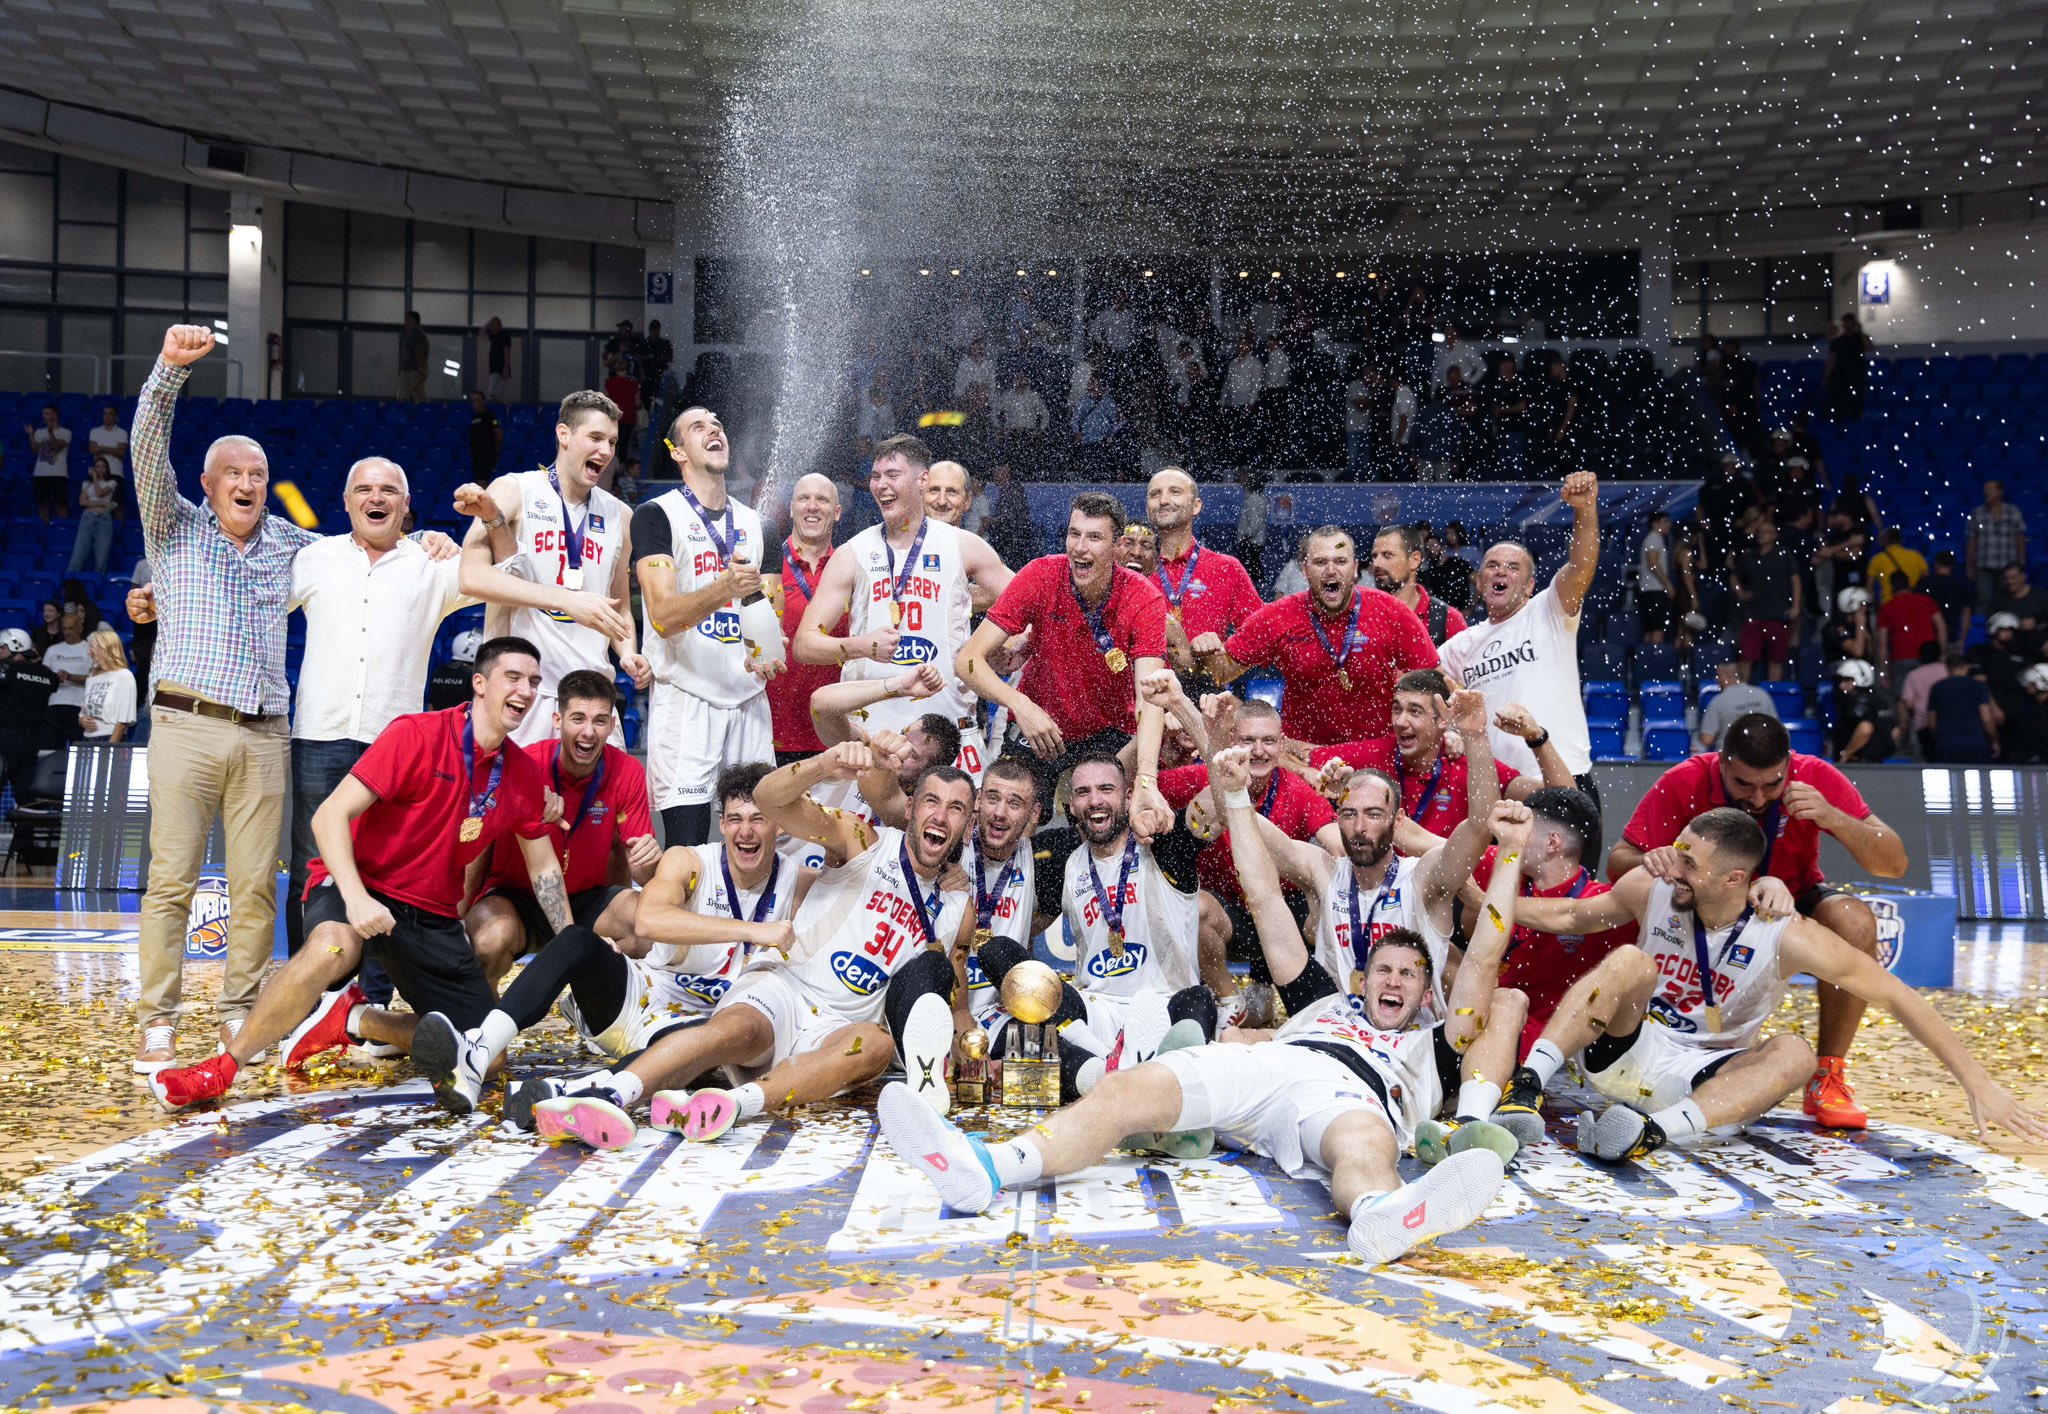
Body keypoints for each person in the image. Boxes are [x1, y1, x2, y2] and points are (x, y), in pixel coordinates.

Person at [878, 748, 1536, 1266]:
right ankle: (988, 1168)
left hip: (1356, 1097)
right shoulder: (1322, 1003)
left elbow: (1482, 958)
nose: (1394, 983)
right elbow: (1262, 896)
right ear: (1360, 979)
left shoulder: (1432, 1042)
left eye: (1409, 976)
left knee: (1360, 1145)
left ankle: (1378, 1211)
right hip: (1276, 1064)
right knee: (1128, 1090)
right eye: (1383, 970)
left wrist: (1508, 855)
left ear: (1428, 992)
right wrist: (1235, 798)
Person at [147, 637, 563, 1109]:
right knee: (334, 944)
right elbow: (329, 816)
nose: (526, 690)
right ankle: (221, 1069)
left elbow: (544, 864)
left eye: (533, 681)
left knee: (489, 1059)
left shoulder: (524, 775)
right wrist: (357, 896)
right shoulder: (416, 734)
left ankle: (355, 1019)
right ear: (480, 684)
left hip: (429, 913)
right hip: (358, 884)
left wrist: (568, 938)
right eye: (513, 677)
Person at [1496, 807, 2046, 1160]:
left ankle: (1648, 1134)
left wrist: (1978, 1083)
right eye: (1678, 850)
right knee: (1628, 964)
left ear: (1734, 879)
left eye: (1689, 861)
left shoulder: (1787, 933)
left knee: (1795, 1051)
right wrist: (1483, 900)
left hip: (1709, 1078)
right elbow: (1570, 916)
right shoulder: (1655, 885)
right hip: (1626, 1045)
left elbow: (1896, 994)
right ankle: (1526, 1088)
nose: (1672, 865)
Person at [532, 739, 973, 1150]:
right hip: (785, 987)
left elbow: (954, 1006)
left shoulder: (958, 906)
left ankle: (733, 1105)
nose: (940, 816)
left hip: (838, 1028)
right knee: (733, 1031)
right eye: (931, 801)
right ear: (911, 808)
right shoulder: (863, 840)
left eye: (956, 809)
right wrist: (823, 765)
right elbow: (769, 799)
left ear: (967, 825)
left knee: (875, 1045)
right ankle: (610, 1093)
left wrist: (973, 1046)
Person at [126, 327, 328, 1072]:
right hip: (185, 724)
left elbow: (366, 566)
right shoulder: (174, 528)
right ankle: (157, 1021)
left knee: (255, 890)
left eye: (258, 471)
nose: (247, 481)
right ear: (208, 485)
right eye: (232, 472)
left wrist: (431, 544)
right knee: (170, 883)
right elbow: (147, 449)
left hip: (266, 735)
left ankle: (242, 1016)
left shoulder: (293, 544)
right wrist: (169, 372)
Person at [442, 763, 803, 1129]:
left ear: (779, 823)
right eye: (735, 819)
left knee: (698, 1047)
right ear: (722, 824)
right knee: (576, 940)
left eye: (758, 819)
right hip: (640, 996)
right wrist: (752, 930)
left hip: (697, 1030)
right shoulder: (691, 861)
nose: (745, 831)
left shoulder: (797, 880)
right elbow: (648, 920)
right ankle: (478, 1051)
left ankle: (568, 1093)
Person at [1609, 712, 1906, 1126]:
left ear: (1789, 766)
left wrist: (1832, 816)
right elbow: (1618, 864)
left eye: (1773, 784)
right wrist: (1651, 858)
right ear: (1722, 763)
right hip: (1711, 901)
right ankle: (1629, 1039)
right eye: (1744, 784)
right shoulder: (1686, 778)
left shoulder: (1815, 775)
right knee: (1632, 907)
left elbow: (1893, 864)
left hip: (1790, 898)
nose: (1760, 797)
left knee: (1854, 921)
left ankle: (1829, 1075)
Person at [797, 434, 1013, 781]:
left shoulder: (963, 546)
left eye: (892, 475)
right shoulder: (852, 553)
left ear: (921, 479)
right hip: (871, 738)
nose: (881, 485)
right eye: (876, 476)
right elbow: (805, 644)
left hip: (951, 736)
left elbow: (1028, 604)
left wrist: (1006, 646)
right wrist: (861, 646)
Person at [456, 389, 644, 748]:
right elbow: (472, 577)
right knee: (518, 805)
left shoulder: (621, 515)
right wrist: (566, 600)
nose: (605, 451)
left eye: (613, 442)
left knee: (596, 805)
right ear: (564, 435)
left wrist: (629, 653)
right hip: (523, 694)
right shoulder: (515, 490)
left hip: (591, 693)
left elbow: (617, 604)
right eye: (595, 437)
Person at [459, 668, 658, 985]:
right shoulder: (524, 764)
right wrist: (458, 912)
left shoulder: (628, 772)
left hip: (589, 901)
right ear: (558, 721)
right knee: (487, 940)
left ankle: (603, 1014)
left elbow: (642, 874)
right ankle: (481, 1019)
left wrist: (651, 862)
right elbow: (479, 843)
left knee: (646, 925)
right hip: (516, 900)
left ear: (612, 725)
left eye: (599, 721)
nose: (589, 732)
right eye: (578, 718)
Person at [960, 492, 1167, 764]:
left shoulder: (1143, 596)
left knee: (1111, 796)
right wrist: (1019, 704)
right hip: (1038, 726)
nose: (1080, 547)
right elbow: (967, 661)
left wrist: (1146, 781)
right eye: (1074, 533)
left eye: (1094, 537)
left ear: (1118, 545)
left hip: (1109, 733)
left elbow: (1149, 700)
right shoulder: (1040, 574)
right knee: (1005, 802)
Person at [1438, 472, 1601, 801]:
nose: (1500, 571)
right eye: (1492, 565)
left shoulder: (1549, 609)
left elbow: (1582, 565)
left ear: (1529, 586)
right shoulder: (1460, 646)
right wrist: (1451, 730)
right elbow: (1425, 688)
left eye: (1512, 567)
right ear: (1480, 582)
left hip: (1565, 778)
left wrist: (1585, 510)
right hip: (1501, 788)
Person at [1198, 525, 1438, 747]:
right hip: (1305, 756)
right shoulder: (1277, 616)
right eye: (1320, 562)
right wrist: (1204, 648)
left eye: (1340, 561)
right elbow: (1222, 671)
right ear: (1305, 570)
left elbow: (1432, 682)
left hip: (1376, 755)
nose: (1331, 570)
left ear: (1354, 569)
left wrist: (1449, 731)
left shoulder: (1391, 611)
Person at [1460, 787, 1634, 1058]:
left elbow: (1571, 915)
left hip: (1552, 1047)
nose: (1513, 837)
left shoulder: (1602, 902)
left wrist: (1481, 899)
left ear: (1553, 843)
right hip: (1482, 1016)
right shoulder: (1503, 861)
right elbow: (1433, 847)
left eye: (1525, 829)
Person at [1303, 673, 1574, 839]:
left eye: (1415, 711)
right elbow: (1289, 755)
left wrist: (1536, 738)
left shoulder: (1469, 767)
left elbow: (1567, 803)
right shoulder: (1374, 753)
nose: (1401, 721)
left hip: (1451, 892)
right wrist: (1315, 777)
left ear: (1443, 720)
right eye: (1397, 709)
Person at [1145, 467, 1263, 680]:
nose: (1163, 500)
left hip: (1204, 701)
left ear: (1196, 506)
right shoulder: (1134, 572)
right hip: (1142, 700)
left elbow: (1261, 634)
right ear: (1148, 508)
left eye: (1175, 492)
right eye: (1155, 494)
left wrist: (1221, 661)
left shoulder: (1226, 568)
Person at [765, 473, 845, 765]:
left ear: (837, 513)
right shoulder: (766, 565)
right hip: (770, 731)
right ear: (791, 508)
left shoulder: (850, 568)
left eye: (822, 500)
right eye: (804, 498)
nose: (812, 506)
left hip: (834, 733)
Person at [1730, 517, 1802, 683]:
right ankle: (1742, 694)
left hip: (1777, 614)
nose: (1762, 535)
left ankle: (1772, 694)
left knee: (1776, 659)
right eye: (1760, 532)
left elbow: (1796, 580)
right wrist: (1740, 592)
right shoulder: (1749, 556)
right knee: (1746, 656)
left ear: (1774, 535)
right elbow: (1734, 576)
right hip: (1753, 614)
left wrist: (1796, 606)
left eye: (1766, 532)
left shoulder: (1784, 554)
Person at [1369, 523, 1466, 646]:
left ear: (1414, 560)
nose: (1376, 564)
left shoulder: (1447, 619)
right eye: (1374, 556)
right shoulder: (1363, 616)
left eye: (1387, 555)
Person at [0, 630, 58, 801]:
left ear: (15, 647)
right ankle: (25, 828)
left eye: (2, 647)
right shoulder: (46, 674)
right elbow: (53, 682)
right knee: (26, 797)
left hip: (5, 739)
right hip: (31, 741)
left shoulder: (6, 671)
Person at [1875, 570, 1945, 689]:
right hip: (1928, 656)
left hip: (1901, 657)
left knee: (1903, 698)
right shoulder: (1926, 601)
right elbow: (1941, 627)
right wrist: (1942, 653)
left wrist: (1883, 671)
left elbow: (1882, 644)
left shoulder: (1887, 608)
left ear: (1892, 587)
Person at [1924, 653, 1999, 764]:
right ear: (1966, 666)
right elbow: (1986, 718)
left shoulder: (1937, 688)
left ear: (1948, 668)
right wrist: (1994, 740)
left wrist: (1938, 739)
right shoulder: (1978, 686)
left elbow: (1932, 722)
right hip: (1977, 746)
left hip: (1946, 746)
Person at [1965, 480, 2026, 614]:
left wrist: (2021, 560)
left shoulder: (2013, 511)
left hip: (2007, 564)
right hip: (1983, 564)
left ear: (2000, 492)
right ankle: (1981, 630)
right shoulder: (1977, 513)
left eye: (1990, 490)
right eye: (1985, 490)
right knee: (1983, 598)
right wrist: (1969, 565)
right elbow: (1971, 540)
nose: (1986, 493)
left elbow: (2020, 537)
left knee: (2006, 599)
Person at [40, 607, 94, 742]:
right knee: (51, 749)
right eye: (64, 629)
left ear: (80, 629)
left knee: (78, 748)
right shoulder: (53, 650)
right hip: (54, 705)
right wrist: (55, 678)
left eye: (71, 628)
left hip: (79, 707)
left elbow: (95, 680)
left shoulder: (90, 650)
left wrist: (71, 677)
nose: (67, 632)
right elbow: (43, 677)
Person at [1698, 659, 1776, 750]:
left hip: (1730, 758)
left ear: (1724, 677)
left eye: (1718, 676)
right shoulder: (1762, 695)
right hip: (1762, 756)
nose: (1716, 679)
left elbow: (1707, 739)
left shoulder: (1718, 701)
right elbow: (1775, 728)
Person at [77, 630, 137, 744]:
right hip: (87, 739)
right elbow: (84, 710)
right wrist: (82, 719)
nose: (89, 652)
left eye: (92, 647)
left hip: (110, 738)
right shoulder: (91, 676)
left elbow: (123, 720)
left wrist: (110, 747)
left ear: (105, 648)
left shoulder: (124, 676)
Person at [1829, 658, 1894, 763]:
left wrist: (1846, 755)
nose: (1841, 685)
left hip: (1857, 765)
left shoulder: (1855, 704)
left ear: (1860, 679)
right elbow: (1895, 731)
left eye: (1847, 680)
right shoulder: (1880, 702)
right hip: (1878, 764)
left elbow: (1865, 729)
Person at [68, 457, 121, 576]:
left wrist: (95, 479)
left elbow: (99, 492)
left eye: (103, 466)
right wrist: (102, 503)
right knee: (78, 554)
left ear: (107, 468)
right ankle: (69, 585)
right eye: (97, 466)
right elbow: (82, 502)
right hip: (88, 518)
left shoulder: (112, 482)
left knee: (101, 557)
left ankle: (97, 585)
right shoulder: (86, 483)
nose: (100, 469)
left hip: (104, 520)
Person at [26, 405, 70, 523]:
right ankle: (44, 530)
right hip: (41, 473)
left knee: (61, 505)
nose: (44, 416)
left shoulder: (66, 432)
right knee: (42, 505)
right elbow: (35, 450)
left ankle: (62, 529)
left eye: (47, 413)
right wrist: (31, 435)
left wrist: (50, 432)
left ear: (55, 415)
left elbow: (56, 447)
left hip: (59, 474)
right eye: (44, 414)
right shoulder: (39, 432)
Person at [1636, 510, 1675, 644]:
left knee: (1650, 630)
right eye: (1665, 522)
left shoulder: (1653, 539)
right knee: (1658, 629)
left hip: (1648, 591)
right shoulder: (1654, 539)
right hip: (1655, 591)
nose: (1668, 525)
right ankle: (1654, 660)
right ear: (1655, 524)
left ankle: (1646, 660)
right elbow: (1653, 563)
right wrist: (1667, 584)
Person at [1923, 549, 1973, 647]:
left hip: (1928, 638)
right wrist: (1962, 640)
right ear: (1953, 566)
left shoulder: (1924, 583)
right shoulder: (1961, 585)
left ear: (1936, 563)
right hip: (1951, 636)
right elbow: (1966, 614)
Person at [428, 630, 482, 712]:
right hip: (463, 723)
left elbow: (431, 707)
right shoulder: (473, 678)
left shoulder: (437, 672)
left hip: (438, 722)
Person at [87, 405, 128, 484]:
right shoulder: (94, 431)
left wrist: (101, 448)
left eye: (110, 414)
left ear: (115, 417)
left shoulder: (122, 433)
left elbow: (121, 452)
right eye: (105, 414)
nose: (107, 416)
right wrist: (113, 450)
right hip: (98, 474)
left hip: (116, 472)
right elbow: (93, 450)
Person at [468, 391, 503, 480]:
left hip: (486, 454)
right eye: (473, 401)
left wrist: (496, 450)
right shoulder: (473, 417)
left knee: (482, 481)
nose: (474, 403)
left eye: (477, 400)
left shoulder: (490, 416)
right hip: (476, 455)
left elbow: (498, 434)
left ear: (483, 402)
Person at [397, 311, 429, 402]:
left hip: (413, 370)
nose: (405, 322)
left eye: (407, 319)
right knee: (405, 395)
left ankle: (423, 413)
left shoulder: (417, 334)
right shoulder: (411, 334)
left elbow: (419, 351)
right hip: (409, 369)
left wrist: (421, 368)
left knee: (418, 395)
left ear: (413, 320)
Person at [482, 317, 514, 400]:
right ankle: (500, 407)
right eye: (492, 326)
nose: (493, 328)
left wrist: (506, 367)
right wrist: (489, 322)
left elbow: (507, 353)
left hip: (501, 367)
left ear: (499, 326)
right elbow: (481, 332)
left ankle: (508, 406)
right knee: (493, 393)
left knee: (494, 393)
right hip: (493, 367)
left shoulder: (505, 336)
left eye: (495, 326)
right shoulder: (493, 336)